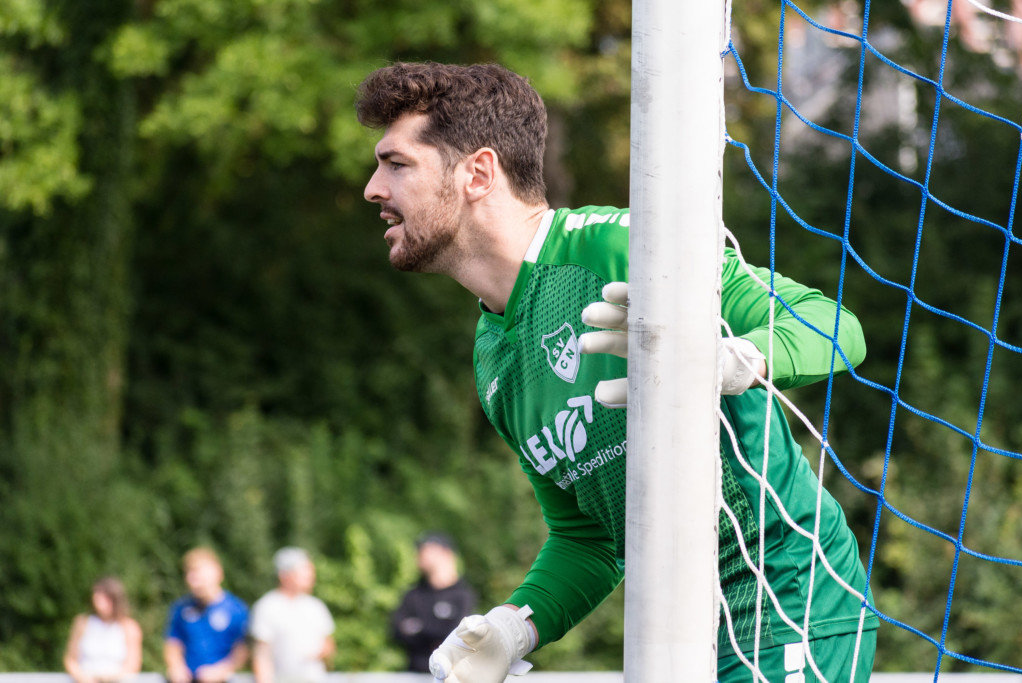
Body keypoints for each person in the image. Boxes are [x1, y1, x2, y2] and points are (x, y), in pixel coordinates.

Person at [356, 61, 881, 682]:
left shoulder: (628, 247)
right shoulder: (494, 357)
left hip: (787, 606)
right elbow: (589, 538)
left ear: (478, 173)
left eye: (396, 164)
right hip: (674, 634)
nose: (372, 188)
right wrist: (516, 626)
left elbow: (836, 327)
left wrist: (729, 359)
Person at [390, 532, 478, 673]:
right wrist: (436, 632)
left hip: (451, 675)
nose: (419, 554)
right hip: (415, 674)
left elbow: (458, 636)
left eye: (426, 549)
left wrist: (420, 628)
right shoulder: (413, 595)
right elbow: (396, 632)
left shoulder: (463, 595)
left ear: (445, 553)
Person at [249, 547, 335, 683]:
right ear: (284, 575)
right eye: (304, 570)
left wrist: (321, 651)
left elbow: (328, 643)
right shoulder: (267, 606)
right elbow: (262, 655)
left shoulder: (316, 606)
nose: (311, 575)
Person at [164, 547, 249, 683]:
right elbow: (173, 643)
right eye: (189, 573)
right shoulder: (181, 608)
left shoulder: (236, 609)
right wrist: (176, 667)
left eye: (197, 573)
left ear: (217, 573)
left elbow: (242, 649)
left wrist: (222, 670)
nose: (192, 580)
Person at [64, 576, 143, 683]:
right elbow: (70, 659)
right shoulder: (82, 623)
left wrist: (108, 678)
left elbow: (133, 665)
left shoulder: (129, 627)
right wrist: (83, 678)